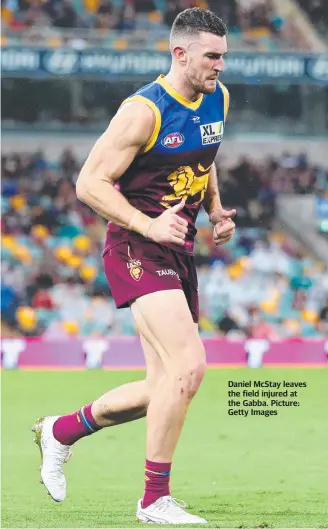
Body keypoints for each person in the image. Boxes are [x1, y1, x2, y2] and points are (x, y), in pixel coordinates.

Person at [32, 7, 236, 524]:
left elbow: (205, 155)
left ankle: (62, 430)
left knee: (161, 387)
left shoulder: (218, 97)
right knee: (189, 368)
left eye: (223, 57)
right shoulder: (143, 111)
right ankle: (153, 500)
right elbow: (89, 183)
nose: (220, 66)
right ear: (179, 53)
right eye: (211, 57)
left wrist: (213, 209)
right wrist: (147, 226)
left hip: (178, 246)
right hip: (136, 245)